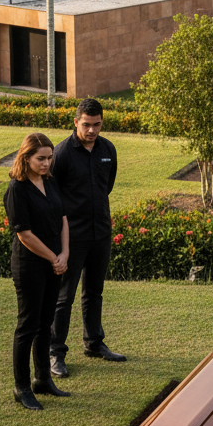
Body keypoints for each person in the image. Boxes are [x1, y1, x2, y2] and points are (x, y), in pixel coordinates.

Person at [49, 98, 125, 376]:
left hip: (100, 232)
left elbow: (107, 186)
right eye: (86, 125)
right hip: (72, 236)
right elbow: (53, 196)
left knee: (94, 291)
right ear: (76, 122)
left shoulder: (108, 149)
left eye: (97, 124)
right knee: (64, 296)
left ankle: (94, 343)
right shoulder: (62, 153)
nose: (92, 130)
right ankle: (55, 352)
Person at [4, 132, 71, 410]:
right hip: (30, 264)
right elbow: (24, 234)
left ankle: (43, 378)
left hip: (54, 261)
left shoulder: (50, 181)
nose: (46, 163)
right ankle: (21, 387)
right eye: (40, 158)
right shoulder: (17, 189)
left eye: (49, 158)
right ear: (26, 157)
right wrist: (54, 257)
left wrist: (65, 253)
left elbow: (63, 219)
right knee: (28, 325)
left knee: (46, 322)